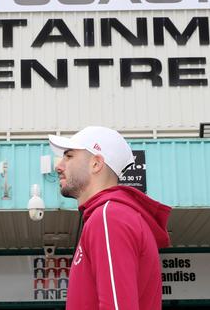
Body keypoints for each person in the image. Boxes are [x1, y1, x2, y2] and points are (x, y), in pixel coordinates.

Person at [48, 126, 171, 310]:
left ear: (96, 164)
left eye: (69, 156)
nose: (58, 166)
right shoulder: (111, 215)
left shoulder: (108, 217)